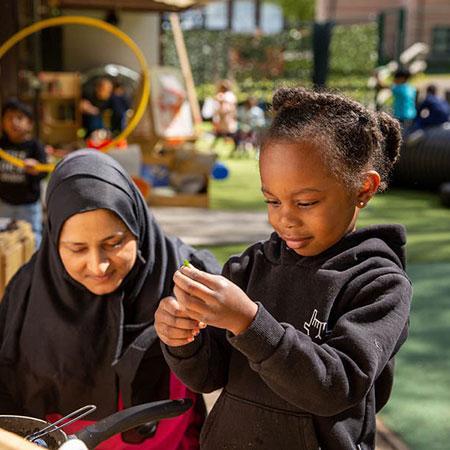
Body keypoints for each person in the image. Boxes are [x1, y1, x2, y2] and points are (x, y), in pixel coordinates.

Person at [155, 88, 413, 449]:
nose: (285, 218)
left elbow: (334, 387)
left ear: (363, 189)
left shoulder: (379, 284)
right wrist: (181, 339)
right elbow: (209, 376)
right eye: (271, 200)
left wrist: (249, 323)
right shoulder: (249, 267)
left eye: (306, 202)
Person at [0, 150, 221, 449]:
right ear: (54, 241)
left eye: (114, 243)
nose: (99, 266)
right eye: (77, 248)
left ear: (137, 225)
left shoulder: (187, 274)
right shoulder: (26, 293)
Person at [0, 99, 47, 247]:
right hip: (5, 202)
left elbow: (44, 171)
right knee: (6, 239)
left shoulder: (35, 146)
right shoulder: (1, 145)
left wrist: (37, 169)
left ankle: (34, 268)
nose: (13, 122)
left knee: (32, 237)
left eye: (19, 118)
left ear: (29, 123)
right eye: (9, 118)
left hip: (28, 204)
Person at [211, 80, 238, 148]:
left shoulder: (230, 95)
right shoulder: (222, 95)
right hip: (222, 117)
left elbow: (231, 106)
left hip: (228, 117)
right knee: (220, 132)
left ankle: (235, 146)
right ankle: (213, 146)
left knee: (229, 132)